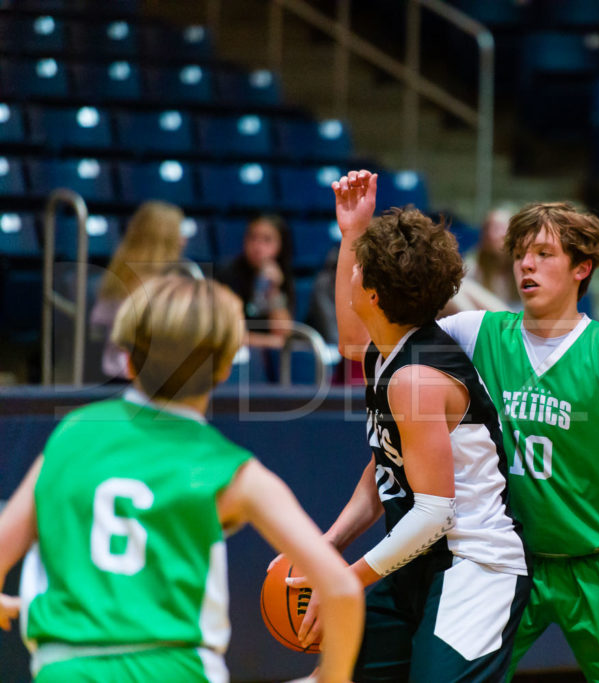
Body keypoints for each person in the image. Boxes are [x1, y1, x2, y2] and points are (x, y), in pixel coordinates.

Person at [336, 177, 599, 679]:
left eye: (544, 254)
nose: (526, 264)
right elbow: (372, 333)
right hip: (513, 559)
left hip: (596, 562)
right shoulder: (478, 331)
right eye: (521, 253)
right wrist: (352, 234)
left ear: (581, 268)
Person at [0, 275, 364, 683]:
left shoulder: (70, 435)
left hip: (64, 667)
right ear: (226, 367)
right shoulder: (232, 469)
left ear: (129, 356)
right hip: (175, 667)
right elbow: (342, 590)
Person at [293, 170, 530, 682]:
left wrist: (346, 580)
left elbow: (432, 514)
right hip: (419, 562)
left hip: (474, 566)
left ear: (374, 294)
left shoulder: (416, 380)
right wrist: (331, 541)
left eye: (358, 267)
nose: (351, 272)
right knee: (332, 674)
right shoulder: (385, 346)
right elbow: (388, 459)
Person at [89, 200, 187, 381]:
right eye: (179, 233)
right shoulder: (157, 284)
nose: (183, 240)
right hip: (139, 380)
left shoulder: (118, 274)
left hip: (117, 373)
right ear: (165, 239)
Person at [216, 214, 297, 346]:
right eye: (252, 238)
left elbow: (284, 333)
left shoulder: (282, 277)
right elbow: (227, 335)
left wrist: (273, 290)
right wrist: (268, 342)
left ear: (281, 245)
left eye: (267, 240)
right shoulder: (227, 274)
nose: (258, 247)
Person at [445, 206, 520, 314]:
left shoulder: (525, 267)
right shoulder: (473, 267)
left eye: (499, 228)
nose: (491, 234)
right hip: (493, 324)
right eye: (488, 228)